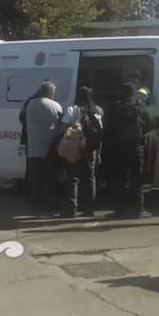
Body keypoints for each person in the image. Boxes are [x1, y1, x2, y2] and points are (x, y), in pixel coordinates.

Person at [60, 86, 103, 217]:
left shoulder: (72, 110)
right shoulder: (98, 111)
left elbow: (63, 127)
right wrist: (98, 152)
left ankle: (71, 209)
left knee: (72, 178)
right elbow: (100, 133)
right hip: (90, 148)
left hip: (74, 147)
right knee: (90, 178)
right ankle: (89, 209)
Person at [114, 83, 150, 218]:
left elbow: (110, 126)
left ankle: (119, 209)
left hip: (119, 147)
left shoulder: (117, 107)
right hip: (136, 146)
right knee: (137, 178)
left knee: (120, 178)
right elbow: (148, 125)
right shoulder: (140, 106)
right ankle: (138, 209)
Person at [24, 80, 62, 207]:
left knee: (34, 179)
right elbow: (60, 126)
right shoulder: (56, 106)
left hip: (33, 149)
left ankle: (34, 202)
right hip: (49, 149)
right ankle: (46, 203)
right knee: (48, 179)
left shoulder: (30, 104)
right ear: (51, 92)